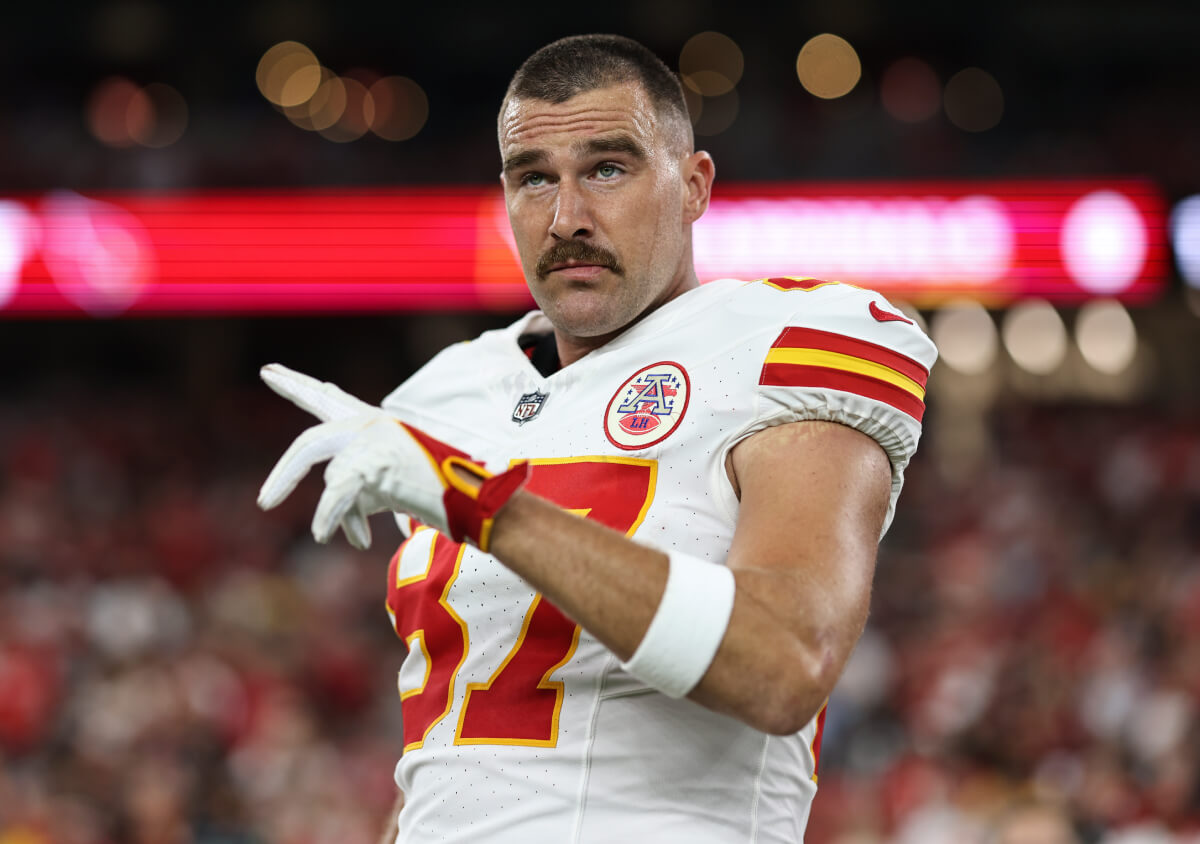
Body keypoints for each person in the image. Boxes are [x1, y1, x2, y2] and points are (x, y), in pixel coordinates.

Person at [258, 33, 937, 843]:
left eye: (607, 169)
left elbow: (786, 664)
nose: (567, 217)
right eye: (534, 178)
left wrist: (482, 503)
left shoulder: (779, 342)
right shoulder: (444, 395)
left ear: (693, 187)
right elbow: (453, 754)